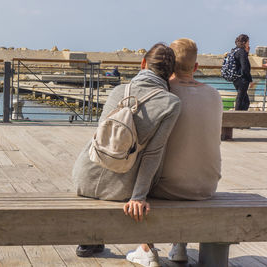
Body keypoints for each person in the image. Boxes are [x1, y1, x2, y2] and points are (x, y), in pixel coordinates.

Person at [72, 43, 181, 266]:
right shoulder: (171, 103)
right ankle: (151, 245)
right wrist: (138, 197)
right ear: (171, 75)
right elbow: (153, 154)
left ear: (143, 64)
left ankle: (90, 239)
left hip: (83, 176)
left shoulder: (118, 90)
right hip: (121, 189)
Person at [145, 38, 223, 263]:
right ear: (196, 67)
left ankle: (146, 247)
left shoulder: (163, 94)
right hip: (207, 186)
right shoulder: (214, 95)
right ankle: (180, 245)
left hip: (167, 188)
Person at [232, 34, 254, 110]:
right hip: (242, 80)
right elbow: (245, 68)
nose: (249, 44)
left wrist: (246, 53)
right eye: (248, 42)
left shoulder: (235, 50)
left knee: (244, 100)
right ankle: (237, 118)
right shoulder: (241, 52)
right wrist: (250, 80)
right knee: (241, 100)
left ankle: (240, 117)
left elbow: (240, 64)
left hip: (235, 78)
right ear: (244, 42)